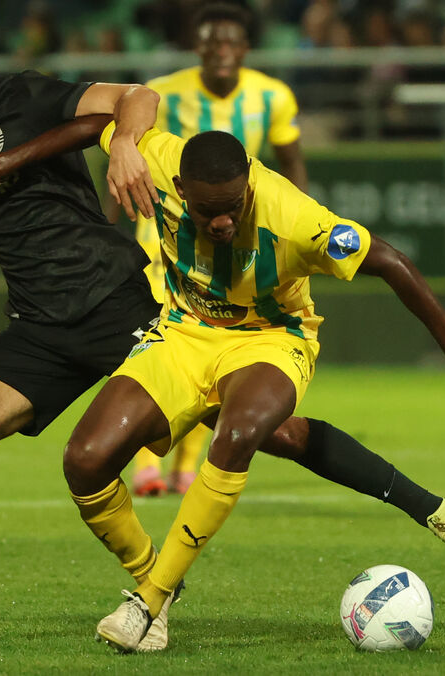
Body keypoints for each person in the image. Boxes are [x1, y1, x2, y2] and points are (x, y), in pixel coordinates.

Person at [0, 0, 445, 651]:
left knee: (274, 433)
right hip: (39, 327)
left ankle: (429, 508)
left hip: (120, 304)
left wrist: (117, 143)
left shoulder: (26, 97)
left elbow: (134, 99)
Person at [73, 124, 445, 653]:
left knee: (239, 434)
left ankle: (148, 604)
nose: (223, 221)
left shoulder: (295, 218)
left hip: (272, 338)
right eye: (208, 210)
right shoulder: (158, 160)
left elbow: (390, 261)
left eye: (234, 206)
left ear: (248, 186)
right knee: (85, 460)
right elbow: (96, 113)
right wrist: (112, 142)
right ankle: (156, 579)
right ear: (181, 188)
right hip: (183, 334)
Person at [131, 2, 310, 497]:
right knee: (162, 341)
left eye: (231, 42)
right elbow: (130, 153)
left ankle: (187, 466)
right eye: (212, 42)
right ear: (198, 47)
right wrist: (113, 221)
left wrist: (296, 226)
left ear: (246, 48)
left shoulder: (272, 96)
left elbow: (292, 165)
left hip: (234, 239)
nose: (221, 51)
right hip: (164, 236)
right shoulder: (163, 93)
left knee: (216, 342)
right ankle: (147, 461)